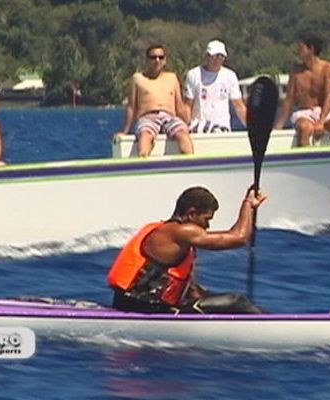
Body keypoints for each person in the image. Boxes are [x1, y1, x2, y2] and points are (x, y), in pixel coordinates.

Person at [107, 186, 266, 314]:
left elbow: (192, 292)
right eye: (206, 219)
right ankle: (273, 324)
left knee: (222, 301)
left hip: (139, 305)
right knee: (237, 301)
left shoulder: (172, 237)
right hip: (144, 309)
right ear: (191, 214)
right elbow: (238, 238)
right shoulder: (180, 232)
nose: (207, 226)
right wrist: (248, 205)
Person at [114, 44, 193, 157]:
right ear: (147, 60)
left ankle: (190, 165)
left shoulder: (172, 78)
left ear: (165, 60)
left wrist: (188, 124)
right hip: (147, 118)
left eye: (161, 57)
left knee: (183, 134)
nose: (157, 60)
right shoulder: (138, 79)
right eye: (153, 57)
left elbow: (179, 106)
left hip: (169, 117)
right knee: (145, 136)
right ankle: (144, 163)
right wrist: (125, 131)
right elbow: (131, 107)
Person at [274, 32, 330, 146]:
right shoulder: (296, 72)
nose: (298, 51)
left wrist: (321, 121)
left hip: (325, 111)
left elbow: (329, 96)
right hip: (305, 112)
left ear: (311, 49)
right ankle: (304, 160)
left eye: (301, 48)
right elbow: (289, 100)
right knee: (304, 128)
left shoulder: (328, 69)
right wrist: (279, 126)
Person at [183, 40, 247, 133]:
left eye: (221, 56)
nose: (218, 59)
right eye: (215, 56)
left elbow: (238, 105)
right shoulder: (194, 74)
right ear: (207, 56)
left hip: (222, 126)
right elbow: (187, 105)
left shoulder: (230, 75)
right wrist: (186, 126)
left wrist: (250, 127)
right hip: (198, 126)